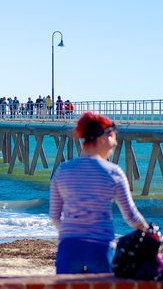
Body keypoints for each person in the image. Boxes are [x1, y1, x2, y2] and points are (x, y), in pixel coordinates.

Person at [49, 112, 149, 274]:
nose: (115, 144)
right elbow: (131, 216)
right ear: (105, 137)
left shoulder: (62, 171)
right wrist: (148, 231)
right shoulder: (113, 172)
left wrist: (71, 232)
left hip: (69, 247)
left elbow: (54, 216)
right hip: (100, 247)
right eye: (113, 138)